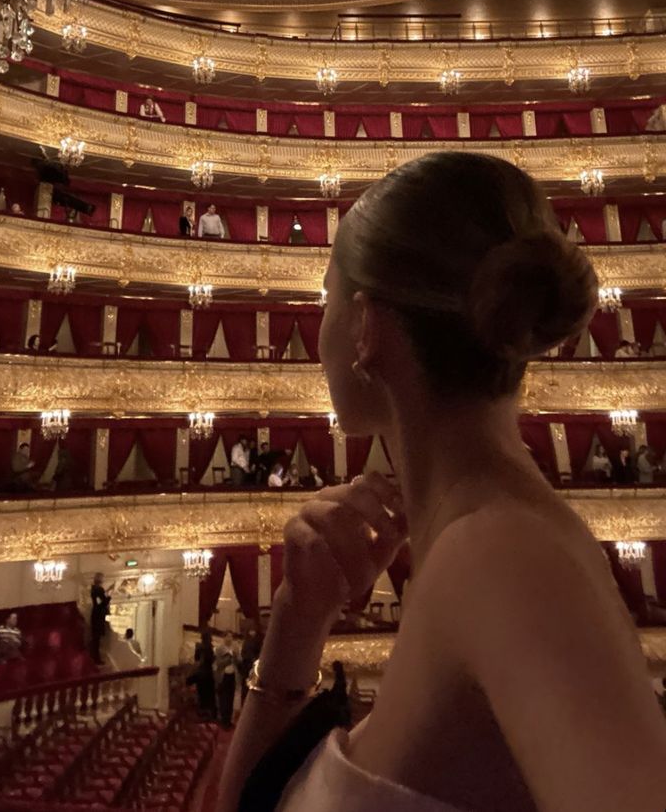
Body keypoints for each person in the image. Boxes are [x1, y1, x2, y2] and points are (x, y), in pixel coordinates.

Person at [217, 153, 666, 812]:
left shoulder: (497, 550)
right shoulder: (482, 538)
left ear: (365, 326)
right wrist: (298, 619)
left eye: (326, 299)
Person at [189, 629, 216, 719]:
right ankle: (209, 716)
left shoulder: (199, 646)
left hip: (200, 674)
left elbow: (196, 659)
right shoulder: (210, 647)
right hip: (208, 673)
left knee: (201, 695)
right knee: (209, 696)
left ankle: (201, 714)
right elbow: (211, 660)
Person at [215, 632, 237, 729]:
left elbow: (238, 661)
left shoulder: (234, 648)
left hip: (232, 676)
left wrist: (236, 657)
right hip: (223, 676)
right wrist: (228, 659)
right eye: (228, 636)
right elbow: (219, 664)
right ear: (224, 638)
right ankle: (224, 721)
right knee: (224, 699)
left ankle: (228, 720)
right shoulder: (219, 649)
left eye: (231, 637)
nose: (229, 638)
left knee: (231, 698)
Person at [90, 572, 112, 666]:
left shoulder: (93, 589)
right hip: (99, 616)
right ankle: (96, 658)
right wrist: (109, 595)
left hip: (96, 614)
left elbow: (99, 601)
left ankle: (95, 657)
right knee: (97, 639)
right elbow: (103, 603)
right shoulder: (99, 589)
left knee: (96, 638)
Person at [239, 629, 262, 705]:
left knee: (247, 687)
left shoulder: (248, 641)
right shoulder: (253, 641)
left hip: (249, 667)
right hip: (249, 667)